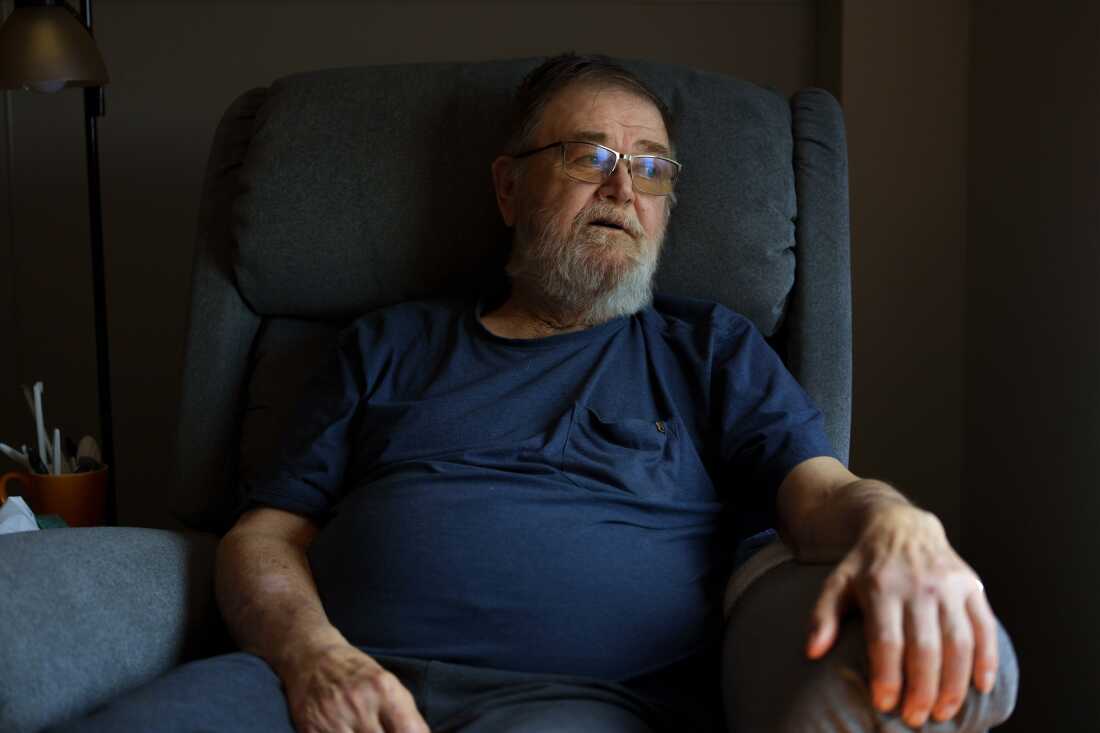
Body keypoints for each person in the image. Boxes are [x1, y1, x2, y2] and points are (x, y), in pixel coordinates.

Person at [53, 54, 1016, 733]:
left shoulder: (708, 348)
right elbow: (265, 534)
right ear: (509, 190)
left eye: (650, 167)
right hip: (317, 686)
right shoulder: (389, 343)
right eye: (589, 155)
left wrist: (896, 521)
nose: (625, 188)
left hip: (579, 703)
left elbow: (818, 492)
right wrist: (314, 657)